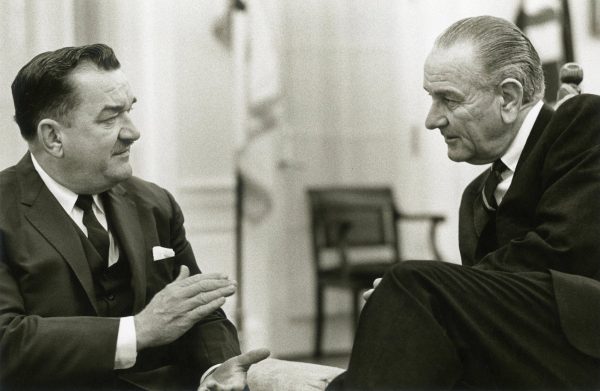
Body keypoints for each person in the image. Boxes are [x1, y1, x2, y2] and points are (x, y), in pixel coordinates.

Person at [327, 15, 600, 390]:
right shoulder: (477, 195)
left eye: (448, 99)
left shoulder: (584, 122)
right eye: (431, 98)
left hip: (586, 344)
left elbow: (565, 250)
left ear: (508, 97)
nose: (431, 120)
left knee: (410, 282)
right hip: (526, 354)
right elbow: (490, 312)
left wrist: (433, 297)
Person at [0, 44, 270, 390]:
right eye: (110, 117)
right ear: (53, 137)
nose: (132, 131)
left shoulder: (154, 203)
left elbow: (198, 313)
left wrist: (218, 368)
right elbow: (8, 341)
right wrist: (138, 330)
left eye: (129, 111)